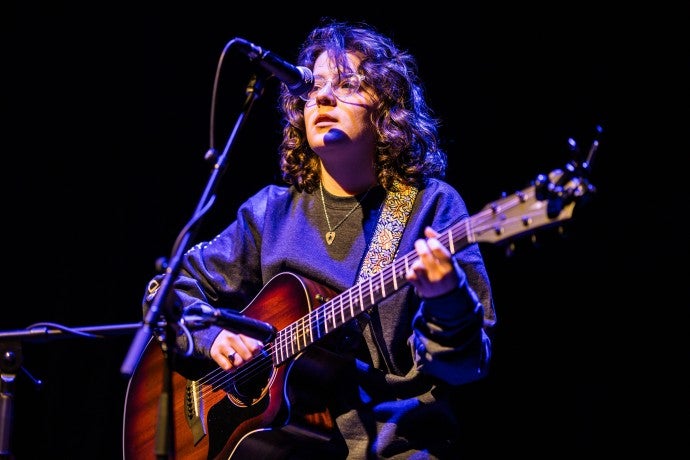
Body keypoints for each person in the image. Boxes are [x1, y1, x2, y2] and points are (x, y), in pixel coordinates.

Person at [140, 18, 497, 459]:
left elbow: (467, 366)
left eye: (347, 84)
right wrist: (210, 337)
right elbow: (170, 293)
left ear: (387, 109)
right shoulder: (271, 212)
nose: (323, 95)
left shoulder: (430, 209)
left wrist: (448, 296)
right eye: (314, 86)